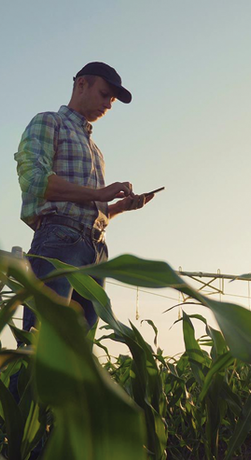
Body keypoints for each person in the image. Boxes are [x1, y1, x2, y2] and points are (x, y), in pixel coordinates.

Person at [13, 61, 153, 335]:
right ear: (81, 84)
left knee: (79, 355)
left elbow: (85, 208)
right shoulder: (49, 122)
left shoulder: (96, 150)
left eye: (112, 100)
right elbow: (33, 180)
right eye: (105, 95)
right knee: (41, 344)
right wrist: (98, 193)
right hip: (59, 242)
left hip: (96, 249)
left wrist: (118, 208)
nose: (109, 105)